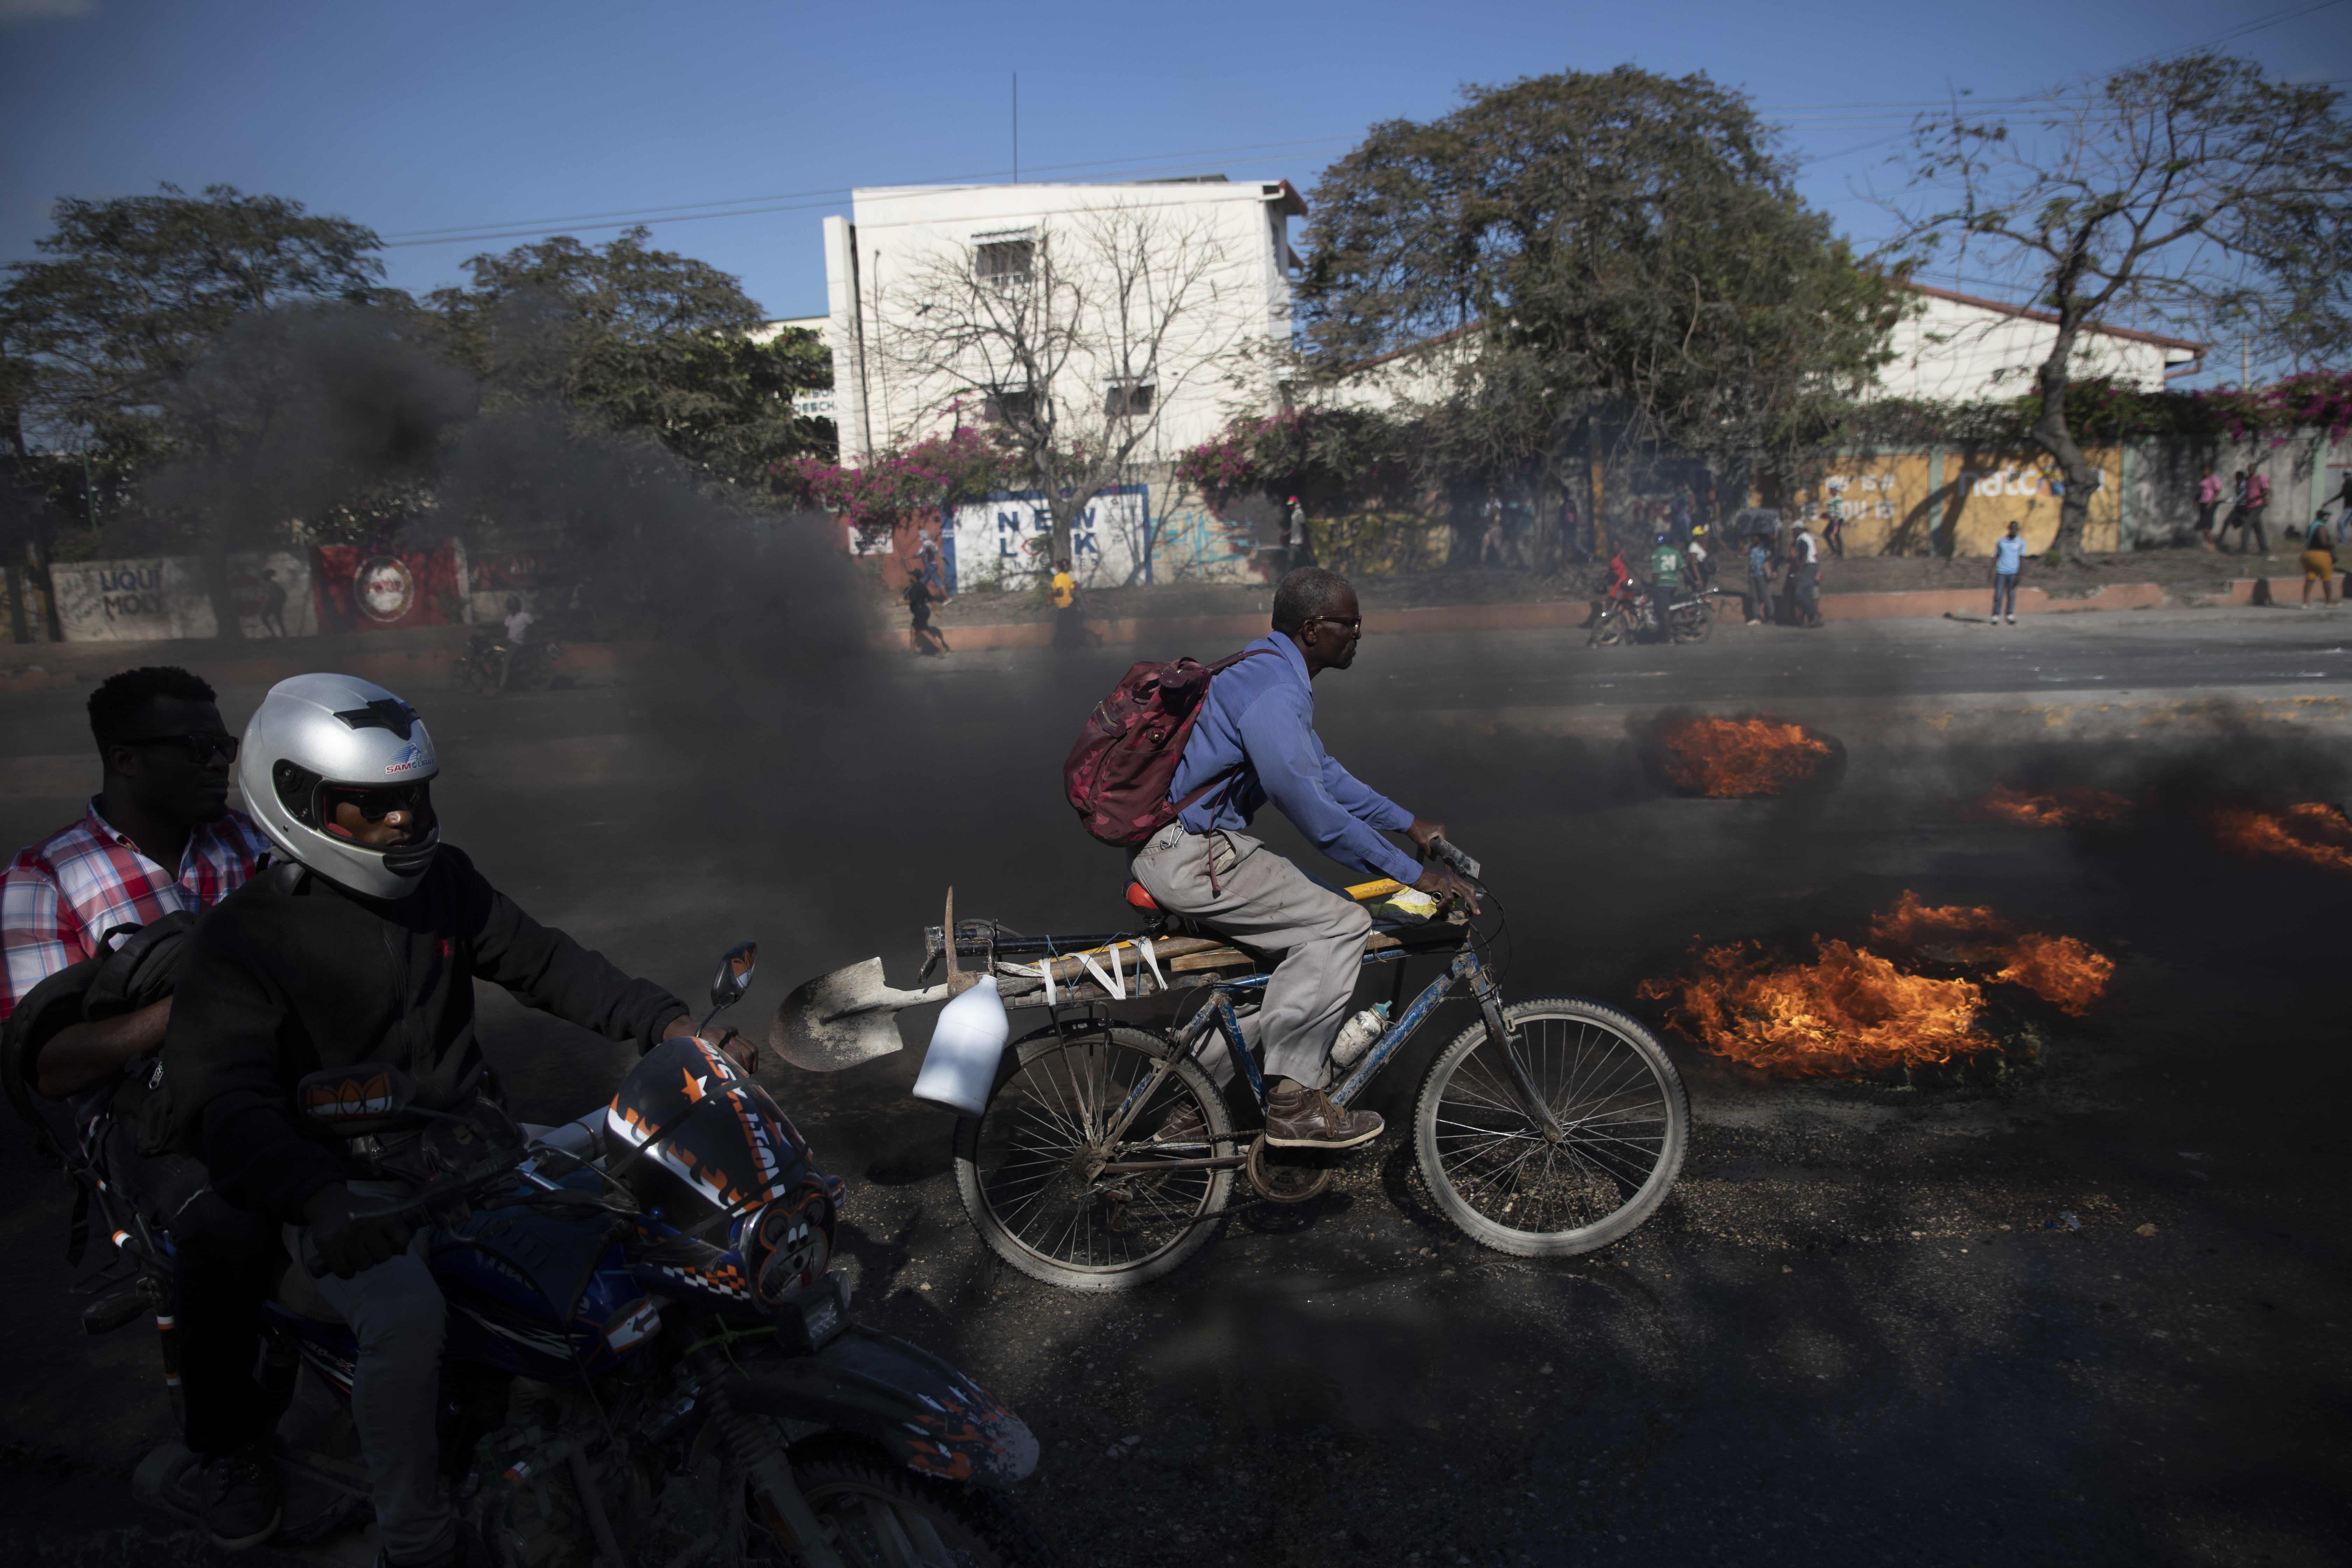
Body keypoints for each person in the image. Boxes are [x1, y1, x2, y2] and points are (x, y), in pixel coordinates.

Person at [166, 674, 742, 1568]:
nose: (402, 823)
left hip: (474, 1154)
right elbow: (222, 1101)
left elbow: (547, 962)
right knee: (405, 1319)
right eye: (371, 808)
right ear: (295, 800)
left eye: (413, 799)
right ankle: (418, 1535)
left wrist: (666, 1025)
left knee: (644, 1238)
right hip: (350, 1195)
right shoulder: (240, 941)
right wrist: (318, 1196)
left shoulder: (443, 883)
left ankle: (619, 1458)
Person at [1, 666, 283, 1550]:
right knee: (222, 1228)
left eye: (225, 747)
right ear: (126, 760)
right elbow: (46, 1065)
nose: (220, 765)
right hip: (145, 1122)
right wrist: (194, 1008)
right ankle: (229, 1449)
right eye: (197, 749)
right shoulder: (44, 879)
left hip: (278, 1083)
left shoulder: (255, 847)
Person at [1129, 569, 1478, 1148]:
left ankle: (1197, 1106)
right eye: (1351, 623)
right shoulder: (1275, 691)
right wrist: (1418, 877)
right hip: (1194, 857)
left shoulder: (1266, 671)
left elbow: (1325, 776)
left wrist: (1408, 823)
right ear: (1314, 629)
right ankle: (1293, 1103)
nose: (1360, 633)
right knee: (1341, 924)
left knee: (1294, 972)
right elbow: (1314, 813)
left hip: (1184, 850)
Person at [1646, 532, 1686, 642]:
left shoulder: (1657, 553)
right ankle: (1666, 630)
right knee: (1666, 608)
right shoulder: (1674, 552)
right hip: (1674, 584)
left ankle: (1668, 639)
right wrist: (1694, 581)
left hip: (1663, 585)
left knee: (1663, 611)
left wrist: (1654, 588)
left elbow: (1656, 573)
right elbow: (1684, 568)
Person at [1788, 526, 1825, 628]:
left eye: (1795, 530)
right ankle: (1813, 618)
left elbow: (1805, 555)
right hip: (1811, 567)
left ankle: (1814, 614)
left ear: (1799, 530)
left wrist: (1800, 571)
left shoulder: (1803, 539)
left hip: (1808, 568)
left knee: (1800, 593)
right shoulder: (1807, 539)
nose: (1793, 532)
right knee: (1807, 593)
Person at [1990, 520, 2026, 624]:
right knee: (1999, 595)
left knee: (2011, 595)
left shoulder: (2021, 542)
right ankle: (1996, 615)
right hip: (2001, 572)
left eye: (2016, 528)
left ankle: (2009, 614)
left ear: (2018, 530)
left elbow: (2022, 558)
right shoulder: (2001, 541)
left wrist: (2020, 574)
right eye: (2012, 528)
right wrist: (1990, 570)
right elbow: (1996, 555)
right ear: (2009, 529)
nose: (2014, 530)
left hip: (2013, 572)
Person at [904, 574, 948, 656]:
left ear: (915, 577)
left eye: (911, 575)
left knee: (925, 633)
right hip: (924, 611)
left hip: (920, 613)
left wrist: (901, 603)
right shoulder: (922, 587)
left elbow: (912, 601)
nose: (910, 577)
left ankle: (941, 648)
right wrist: (936, 611)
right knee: (913, 631)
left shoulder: (915, 588)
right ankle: (911, 653)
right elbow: (932, 599)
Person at [2301, 512, 2336, 607]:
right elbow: (2324, 542)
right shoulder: (2321, 527)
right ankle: (2329, 602)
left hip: (2308, 555)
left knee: (2310, 579)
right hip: (2321, 556)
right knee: (2327, 579)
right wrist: (2332, 545)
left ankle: (2306, 603)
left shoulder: (2312, 526)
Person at [2216, 470, 2250, 552]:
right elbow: (2237, 499)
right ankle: (2219, 542)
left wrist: (2226, 501)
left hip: (2246, 507)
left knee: (2248, 527)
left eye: (2239, 478)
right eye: (2236, 478)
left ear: (2243, 478)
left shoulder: (2246, 485)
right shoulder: (2236, 486)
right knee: (2227, 522)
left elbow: (2241, 497)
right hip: (2239, 507)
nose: (2237, 480)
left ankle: (2244, 548)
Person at [1745, 533, 1774, 626]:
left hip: (1762, 574)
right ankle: (1756, 617)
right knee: (1755, 597)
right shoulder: (1752, 547)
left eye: (1757, 536)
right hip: (1752, 574)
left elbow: (1771, 559)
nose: (1755, 538)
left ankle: (1771, 617)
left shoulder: (1767, 547)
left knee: (1765, 595)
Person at [2241, 469, 2272, 555]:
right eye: (2249, 469)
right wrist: (2243, 498)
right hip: (2250, 507)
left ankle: (2243, 550)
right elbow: (2248, 493)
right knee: (2258, 528)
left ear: (2255, 470)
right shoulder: (2248, 480)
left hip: (2258, 505)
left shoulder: (2260, 478)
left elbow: (2266, 490)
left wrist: (2255, 498)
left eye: (2252, 469)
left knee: (2247, 525)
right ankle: (2264, 550)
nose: (2250, 471)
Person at [2194, 464, 2222, 550]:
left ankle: (2212, 544)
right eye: (2204, 470)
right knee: (2203, 525)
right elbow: (2200, 492)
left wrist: (2211, 503)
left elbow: (2218, 491)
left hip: (2211, 503)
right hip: (2203, 503)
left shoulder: (2214, 478)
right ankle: (2207, 542)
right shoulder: (2203, 479)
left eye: (2207, 470)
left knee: (2206, 525)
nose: (2206, 472)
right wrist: (2195, 501)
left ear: (2210, 470)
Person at [259, 569, 289, 638]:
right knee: (264, 617)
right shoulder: (265, 584)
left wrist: (282, 601)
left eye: (266, 575)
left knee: (278, 619)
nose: (265, 577)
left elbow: (283, 593)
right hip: (271, 603)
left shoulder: (274, 584)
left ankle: (283, 635)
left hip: (276, 603)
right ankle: (274, 634)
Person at [1821, 485, 1847, 559]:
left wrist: (1836, 519)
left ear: (1836, 490)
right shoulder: (1832, 498)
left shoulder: (1838, 498)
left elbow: (1838, 509)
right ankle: (1835, 552)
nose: (1831, 491)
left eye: (1832, 489)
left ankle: (1839, 554)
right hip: (1833, 519)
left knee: (1836, 535)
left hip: (1837, 520)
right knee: (1826, 534)